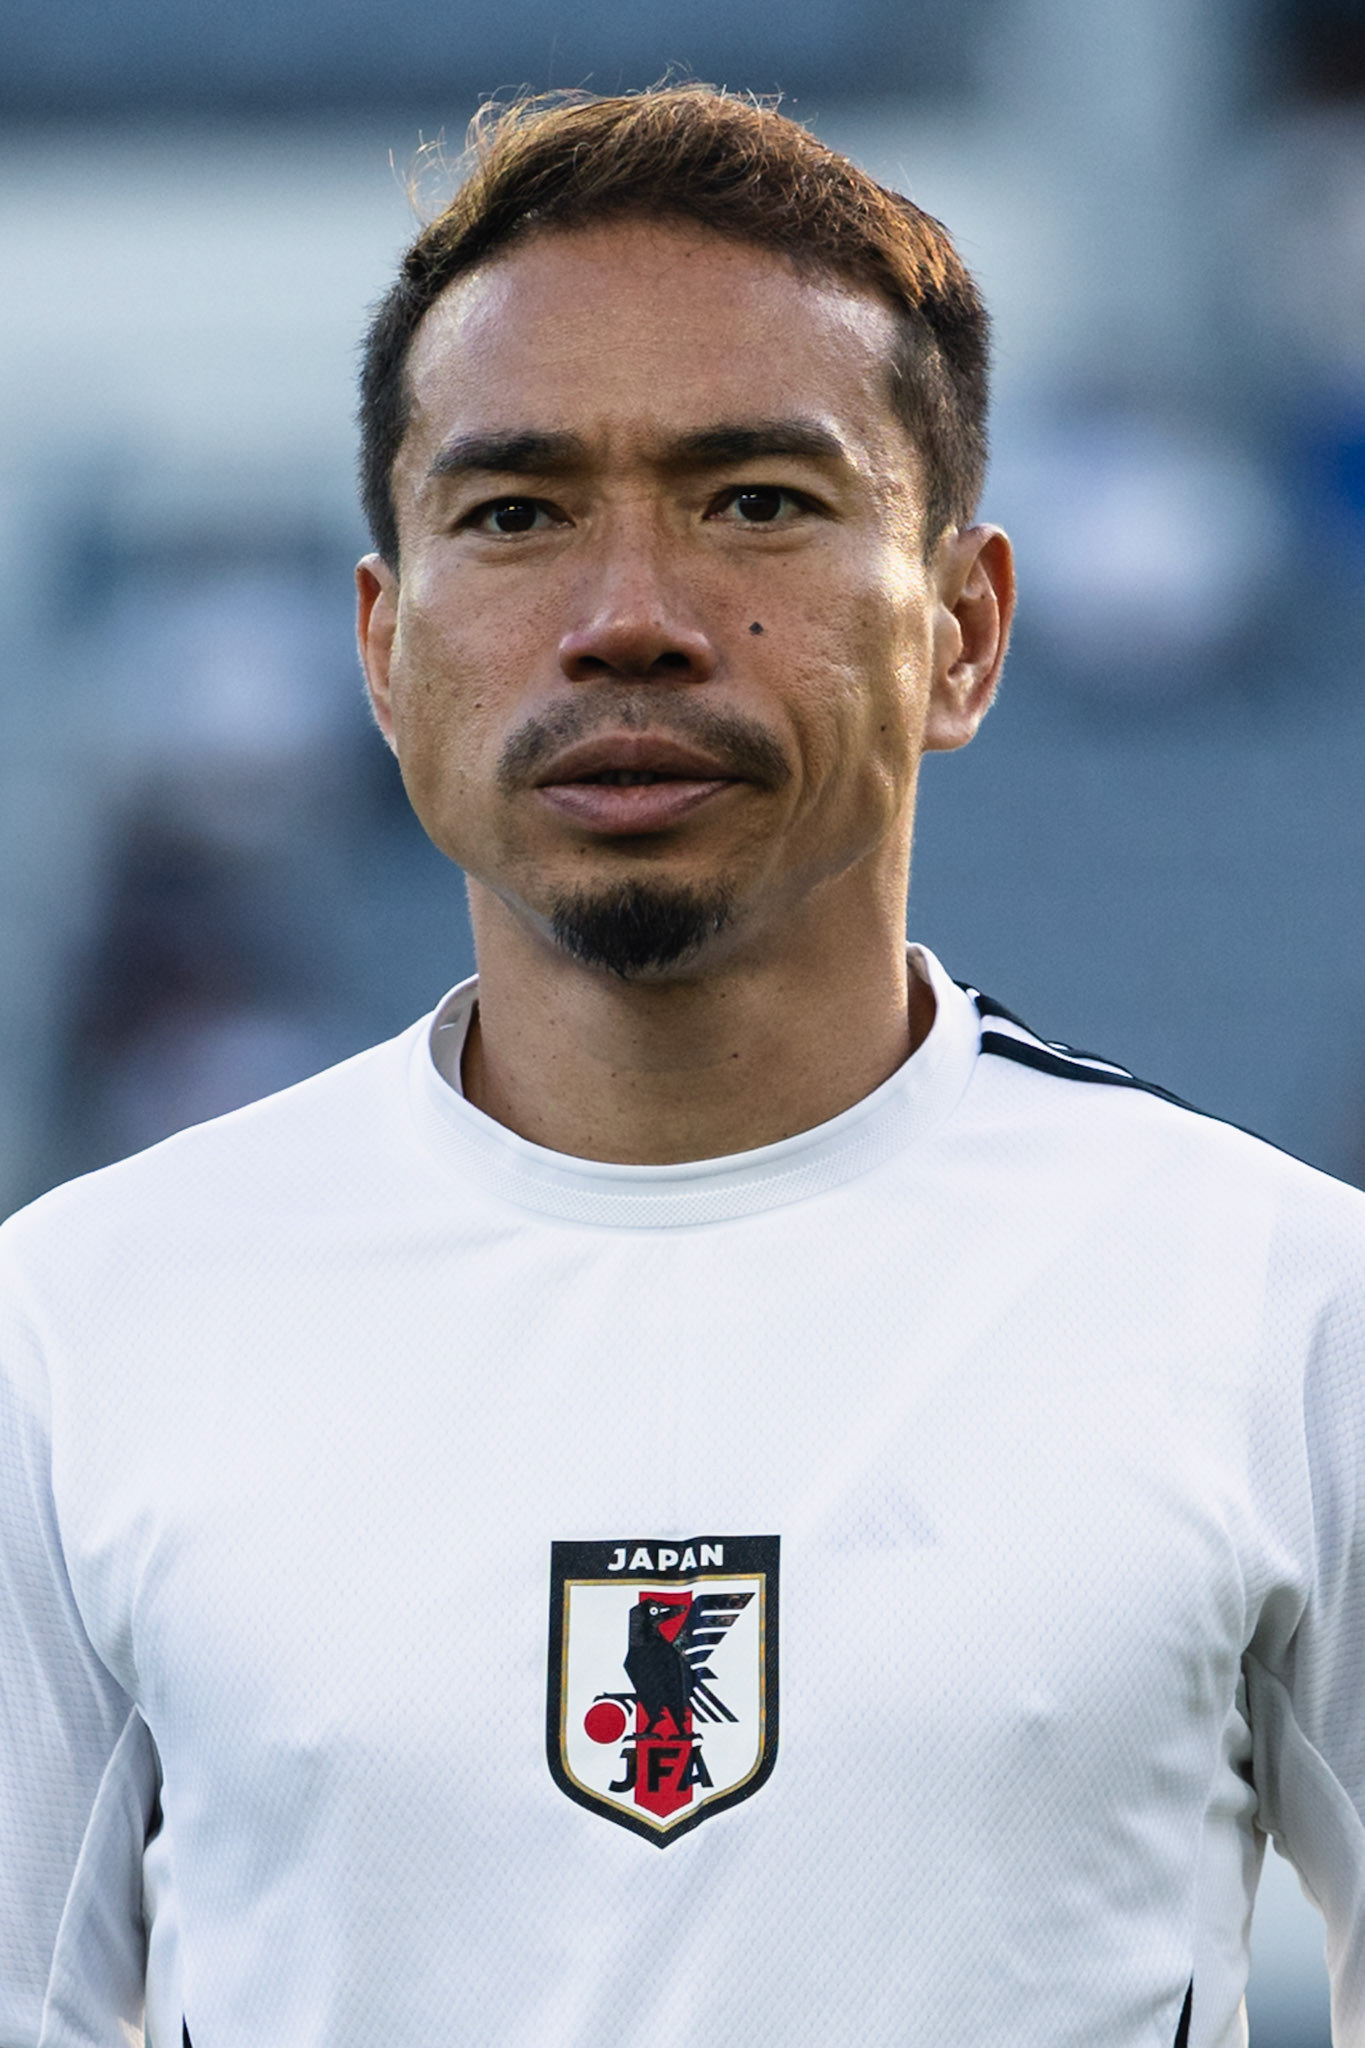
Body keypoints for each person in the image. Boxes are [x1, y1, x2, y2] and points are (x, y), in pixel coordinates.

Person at [2, 85, 1362, 2048]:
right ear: (383, 653)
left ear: (964, 631)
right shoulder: (83, 1322)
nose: (624, 618)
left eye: (753, 501)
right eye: (515, 511)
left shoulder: (1278, 1301)